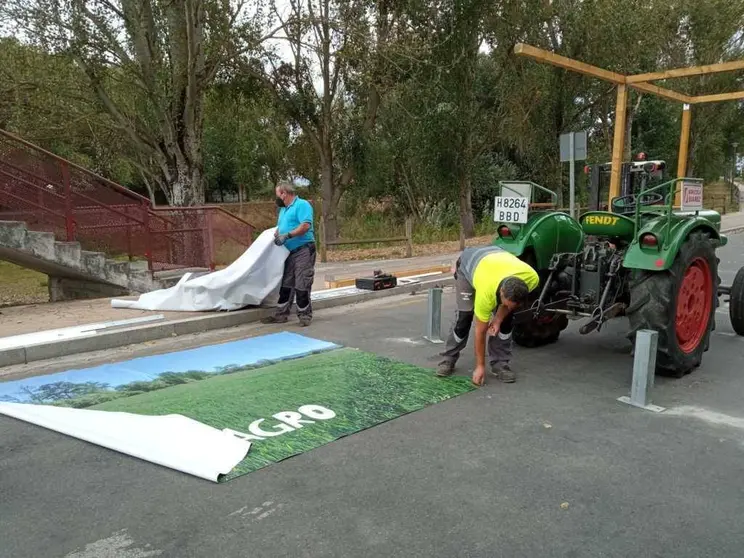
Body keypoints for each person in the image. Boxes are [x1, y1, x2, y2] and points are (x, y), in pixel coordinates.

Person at [436, 246, 539, 386]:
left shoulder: (531, 278)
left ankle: (500, 363)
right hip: (469, 265)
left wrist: (497, 319)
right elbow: (480, 331)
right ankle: (448, 357)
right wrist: (480, 366)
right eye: (507, 304)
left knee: (506, 321)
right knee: (464, 317)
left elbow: (507, 306)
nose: (508, 307)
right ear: (501, 292)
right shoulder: (486, 291)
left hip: (495, 261)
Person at [261, 181, 316, 326]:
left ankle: (305, 316)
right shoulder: (283, 210)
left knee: (301, 283)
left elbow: (305, 225)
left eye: (277, 194)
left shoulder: (302, 205)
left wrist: (288, 235)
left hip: (304, 249)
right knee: (286, 284)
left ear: (284, 193)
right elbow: (280, 228)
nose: (277, 198)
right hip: (289, 252)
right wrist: (277, 235)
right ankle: (281, 315)